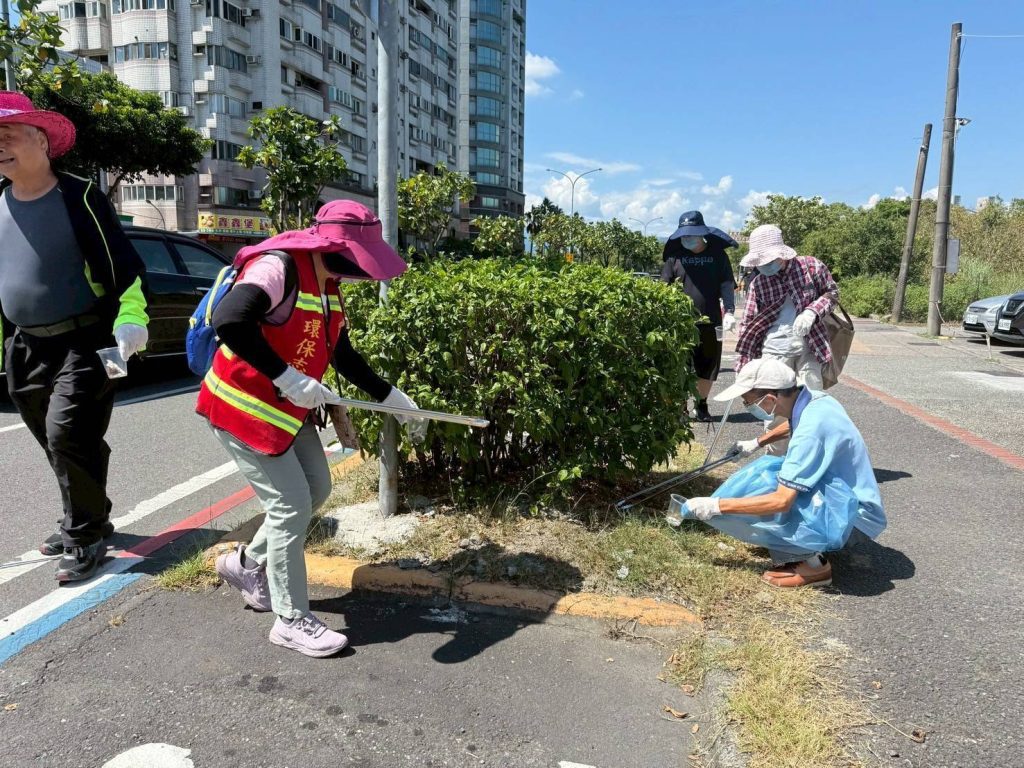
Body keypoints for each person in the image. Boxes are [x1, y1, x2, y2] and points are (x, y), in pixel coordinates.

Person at [199, 200, 427, 658]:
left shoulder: (328, 282)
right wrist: (285, 376)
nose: (363, 269)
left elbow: (341, 354)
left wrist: (391, 398)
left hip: (284, 412)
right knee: (290, 506)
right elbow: (229, 320)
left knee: (318, 489)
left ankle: (246, 564)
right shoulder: (278, 265)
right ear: (333, 246)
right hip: (243, 407)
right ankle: (291, 619)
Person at [0, 92, 149, 582]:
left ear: (41, 140)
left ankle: (84, 535)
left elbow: (125, 270)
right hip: (25, 344)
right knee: (55, 439)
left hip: (89, 342)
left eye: (8, 134)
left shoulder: (80, 196)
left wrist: (132, 320)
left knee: (68, 434)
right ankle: (87, 511)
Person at [672, 358, 886, 588]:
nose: (747, 407)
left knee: (767, 499)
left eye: (748, 402)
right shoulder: (816, 400)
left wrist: (716, 506)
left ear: (770, 399)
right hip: (844, 498)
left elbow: (781, 501)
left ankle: (813, 566)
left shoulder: (809, 435)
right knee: (766, 471)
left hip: (854, 518)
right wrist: (757, 441)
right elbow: (794, 423)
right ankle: (800, 543)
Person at [734, 224, 839, 390]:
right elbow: (748, 321)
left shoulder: (811, 267)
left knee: (810, 398)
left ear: (781, 254)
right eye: (760, 263)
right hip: (773, 350)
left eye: (768, 260)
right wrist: (743, 363)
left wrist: (811, 312)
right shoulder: (758, 283)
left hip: (810, 345)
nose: (764, 265)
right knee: (776, 404)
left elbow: (832, 293)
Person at [660, 210, 738, 422]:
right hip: (680, 323)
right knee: (679, 367)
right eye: (684, 235)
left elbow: (727, 284)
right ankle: (680, 409)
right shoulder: (675, 256)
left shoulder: (717, 255)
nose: (688, 239)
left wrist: (729, 311)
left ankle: (701, 405)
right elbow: (663, 287)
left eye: (692, 235)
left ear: (702, 233)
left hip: (711, 321)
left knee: (708, 366)